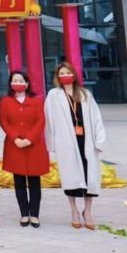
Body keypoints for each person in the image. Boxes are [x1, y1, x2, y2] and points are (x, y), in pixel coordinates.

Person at [45, 62, 106, 230]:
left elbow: (97, 118)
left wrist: (100, 140)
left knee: (89, 176)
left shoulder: (85, 94)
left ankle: (88, 211)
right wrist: (51, 143)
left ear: (74, 75)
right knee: (70, 177)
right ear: (58, 77)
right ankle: (74, 211)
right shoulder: (54, 95)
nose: (65, 75)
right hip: (66, 141)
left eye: (68, 72)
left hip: (87, 140)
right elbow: (49, 120)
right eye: (62, 73)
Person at [0, 70, 48, 228]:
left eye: (21, 81)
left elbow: (40, 121)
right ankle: (24, 214)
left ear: (27, 84)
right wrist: (15, 138)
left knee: (34, 181)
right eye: (15, 80)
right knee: (19, 181)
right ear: (10, 84)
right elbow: (4, 122)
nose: (18, 83)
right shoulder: (6, 101)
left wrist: (29, 139)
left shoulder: (37, 101)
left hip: (33, 145)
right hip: (15, 146)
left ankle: (34, 214)